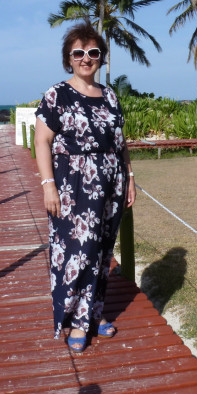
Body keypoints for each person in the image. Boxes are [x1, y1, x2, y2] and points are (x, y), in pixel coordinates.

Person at [34, 22, 136, 352]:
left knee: (102, 251)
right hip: (73, 185)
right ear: (69, 58)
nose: (86, 58)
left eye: (93, 52)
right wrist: (48, 186)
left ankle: (94, 312)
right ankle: (77, 321)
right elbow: (42, 141)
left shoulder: (110, 96)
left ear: (101, 57)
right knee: (78, 251)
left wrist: (130, 178)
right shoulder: (56, 95)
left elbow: (120, 143)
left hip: (111, 183)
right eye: (78, 53)